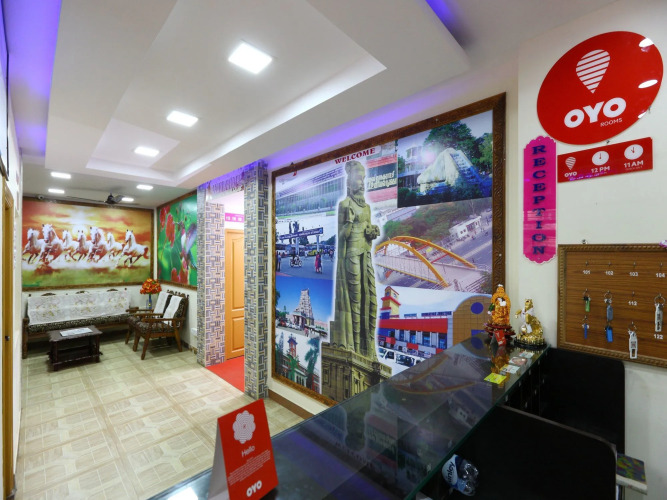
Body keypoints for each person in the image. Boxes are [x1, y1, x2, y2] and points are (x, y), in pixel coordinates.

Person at [332, 160, 380, 359]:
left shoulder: (367, 208)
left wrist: (372, 231)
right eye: (358, 178)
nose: (362, 183)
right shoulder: (344, 205)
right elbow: (341, 236)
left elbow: (367, 230)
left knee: (371, 302)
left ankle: (369, 349)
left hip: (365, 255)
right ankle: (357, 349)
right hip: (351, 256)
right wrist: (349, 222)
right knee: (355, 303)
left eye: (363, 179)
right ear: (349, 181)